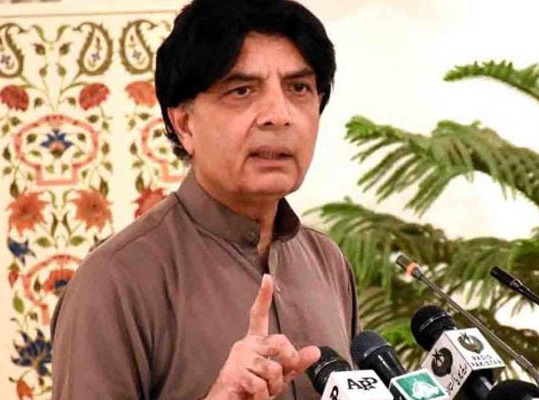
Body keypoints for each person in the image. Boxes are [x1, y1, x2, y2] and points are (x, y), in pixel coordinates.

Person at [50, 1, 360, 399]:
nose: (278, 115)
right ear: (184, 124)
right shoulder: (115, 280)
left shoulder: (328, 262)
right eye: (242, 91)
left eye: (299, 88)